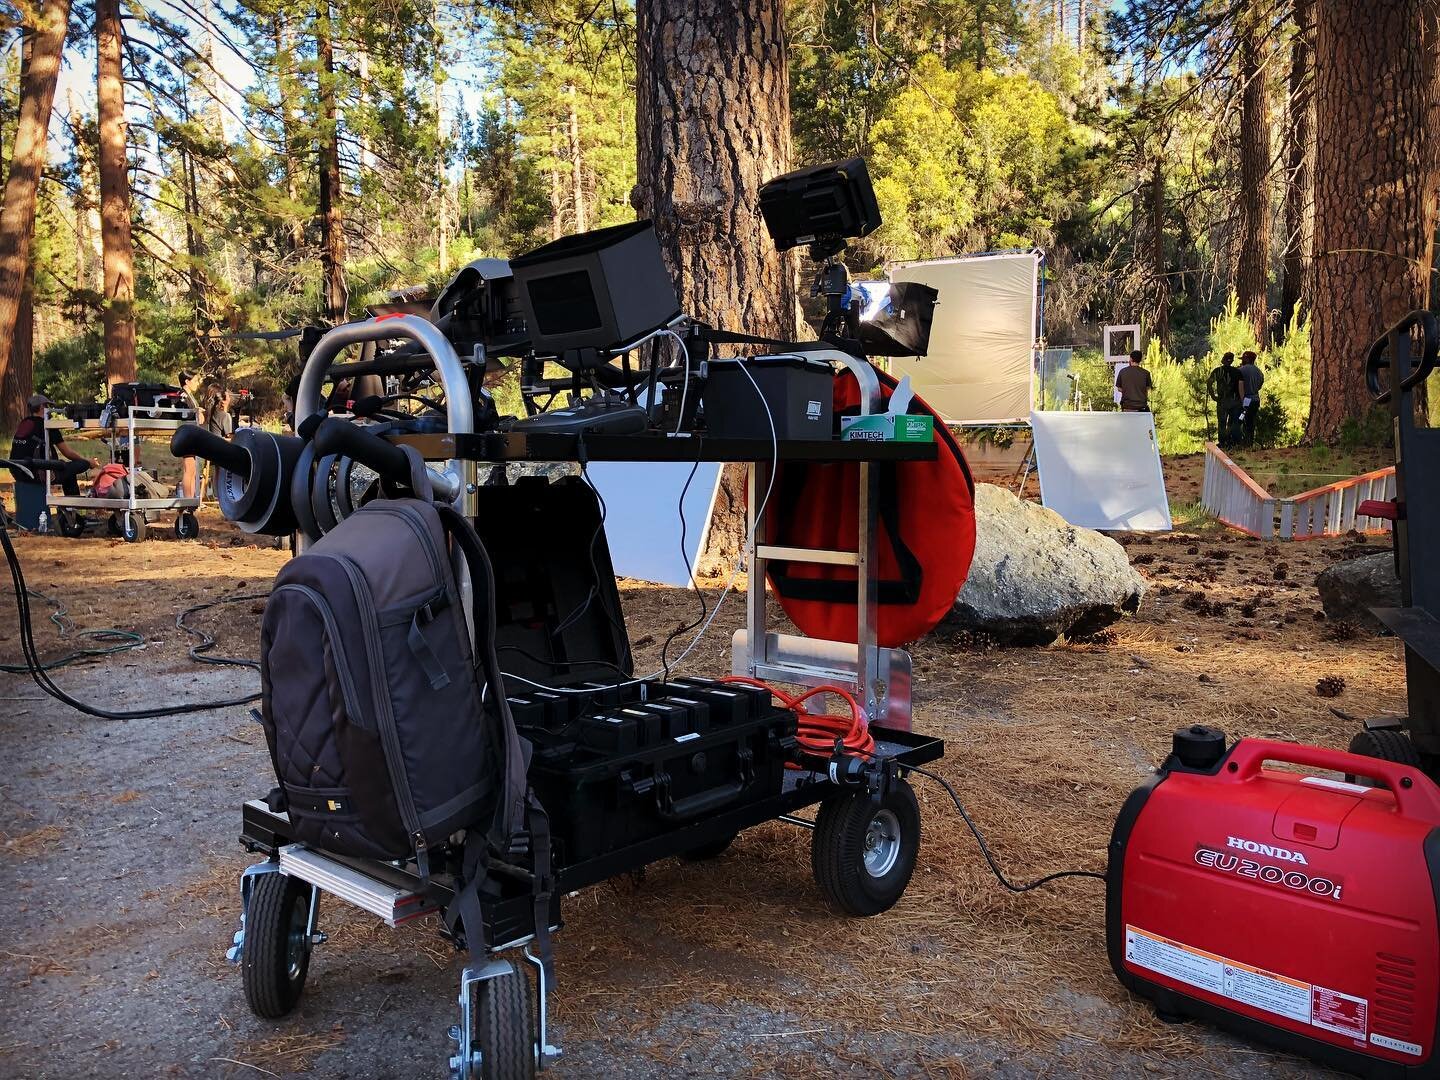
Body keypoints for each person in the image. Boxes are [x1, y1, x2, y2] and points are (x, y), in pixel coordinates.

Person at [8, 392, 100, 500]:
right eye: (48, 406)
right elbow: (68, 453)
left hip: (17, 471)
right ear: (42, 407)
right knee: (81, 464)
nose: (51, 410)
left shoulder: (24, 423)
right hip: (39, 472)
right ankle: (72, 510)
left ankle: (71, 512)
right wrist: (89, 462)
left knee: (69, 474)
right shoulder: (48, 426)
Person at [177, 369, 205, 498]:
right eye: (195, 381)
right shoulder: (183, 396)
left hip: (193, 434)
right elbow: (184, 414)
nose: (197, 383)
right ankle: (188, 498)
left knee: (193, 469)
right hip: (186, 435)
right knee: (189, 468)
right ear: (187, 382)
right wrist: (196, 411)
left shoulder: (191, 396)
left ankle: (192, 497)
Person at [1206, 351, 1242, 448]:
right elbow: (1241, 387)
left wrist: (1213, 395)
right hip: (1235, 400)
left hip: (1222, 400)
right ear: (1232, 361)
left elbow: (1209, 382)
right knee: (1232, 422)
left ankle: (1222, 442)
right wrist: (1241, 400)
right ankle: (1231, 442)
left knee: (1222, 422)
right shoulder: (1237, 372)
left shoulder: (1218, 371)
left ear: (1223, 360)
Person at [1237, 350, 1265, 447]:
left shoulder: (1241, 370)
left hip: (1246, 400)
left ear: (1247, 359)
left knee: (1241, 419)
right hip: (1255, 399)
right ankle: (1250, 442)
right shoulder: (1258, 371)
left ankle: (1242, 442)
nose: (1242, 361)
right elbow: (1260, 384)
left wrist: (1242, 400)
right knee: (1251, 421)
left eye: (1243, 359)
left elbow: (1239, 385)